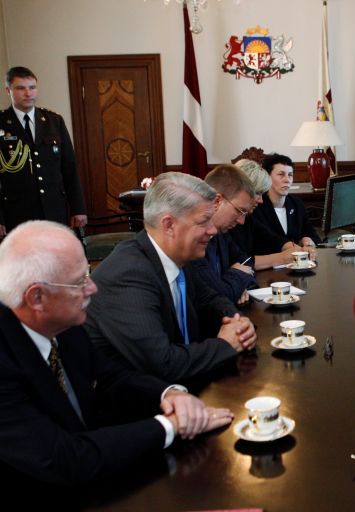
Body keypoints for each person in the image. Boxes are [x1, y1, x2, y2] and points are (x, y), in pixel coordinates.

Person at [0, 220, 233, 490]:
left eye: (88, 274)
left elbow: (110, 377)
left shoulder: (62, 322)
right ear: (36, 298)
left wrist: (169, 395)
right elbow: (63, 458)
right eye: (79, 282)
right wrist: (170, 426)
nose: (92, 288)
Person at [84, 172, 257, 383]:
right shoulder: (128, 275)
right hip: (139, 397)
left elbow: (209, 299)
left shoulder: (179, 255)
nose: (212, 230)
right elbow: (163, 364)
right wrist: (226, 345)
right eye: (204, 222)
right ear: (169, 225)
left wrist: (237, 322)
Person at [0, 67, 87, 239]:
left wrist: (78, 208)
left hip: (54, 209)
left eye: (32, 87)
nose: (28, 93)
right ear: (8, 90)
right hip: (16, 212)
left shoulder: (53, 121)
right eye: (21, 88)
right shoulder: (2, 122)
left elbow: (69, 168)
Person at [188, 164, 257, 305]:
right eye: (239, 211)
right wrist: (237, 278)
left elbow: (247, 262)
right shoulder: (193, 240)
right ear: (218, 200)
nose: (241, 221)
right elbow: (219, 295)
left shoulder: (222, 233)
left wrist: (239, 286)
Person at [229, 158, 304, 270]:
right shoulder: (227, 222)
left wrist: (297, 249)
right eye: (257, 193)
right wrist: (283, 257)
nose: (261, 200)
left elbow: (269, 237)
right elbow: (240, 261)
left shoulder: (248, 217)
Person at [251, 153, 321, 256]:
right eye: (281, 174)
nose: (287, 180)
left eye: (290, 175)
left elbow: (312, 234)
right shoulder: (256, 206)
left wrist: (308, 240)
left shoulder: (296, 204)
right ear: (267, 176)